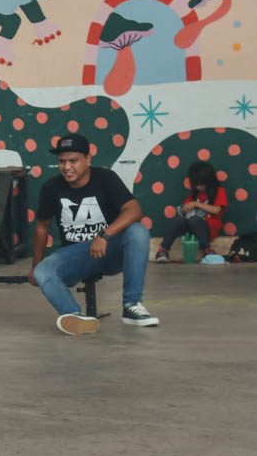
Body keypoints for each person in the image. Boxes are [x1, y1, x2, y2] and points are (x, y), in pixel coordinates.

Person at [30, 133, 159, 335]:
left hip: (109, 251)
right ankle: (76, 317)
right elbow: (42, 227)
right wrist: (34, 266)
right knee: (42, 271)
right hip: (76, 256)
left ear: (88, 159)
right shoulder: (51, 187)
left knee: (138, 231)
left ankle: (131, 306)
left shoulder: (105, 178)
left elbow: (134, 210)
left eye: (73, 161)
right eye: (62, 162)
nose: (66, 167)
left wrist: (103, 236)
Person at [155, 160, 227, 264]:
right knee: (179, 220)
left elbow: (216, 210)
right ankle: (163, 250)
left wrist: (195, 204)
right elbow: (186, 207)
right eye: (196, 184)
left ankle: (207, 250)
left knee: (195, 220)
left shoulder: (219, 191)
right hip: (192, 228)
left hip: (208, 228)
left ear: (209, 181)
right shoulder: (195, 193)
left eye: (201, 184)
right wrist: (183, 209)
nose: (198, 187)